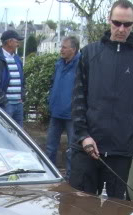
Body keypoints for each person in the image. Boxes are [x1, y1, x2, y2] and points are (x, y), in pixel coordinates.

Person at [70, 0, 133, 199]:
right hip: (87, 147)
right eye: (117, 23)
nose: (121, 29)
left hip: (120, 151)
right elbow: (78, 99)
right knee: (80, 210)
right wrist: (83, 135)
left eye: (127, 24)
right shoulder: (89, 53)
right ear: (109, 21)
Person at [45, 36, 80, 175]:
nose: (61, 50)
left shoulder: (81, 64)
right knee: (50, 147)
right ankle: (49, 174)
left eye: (64, 47)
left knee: (73, 148)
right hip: (56, 112)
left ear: (73, 49)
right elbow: (54, 83)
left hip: (72, 114)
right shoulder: (59, 64)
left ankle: (71, 178)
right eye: (61, 47)